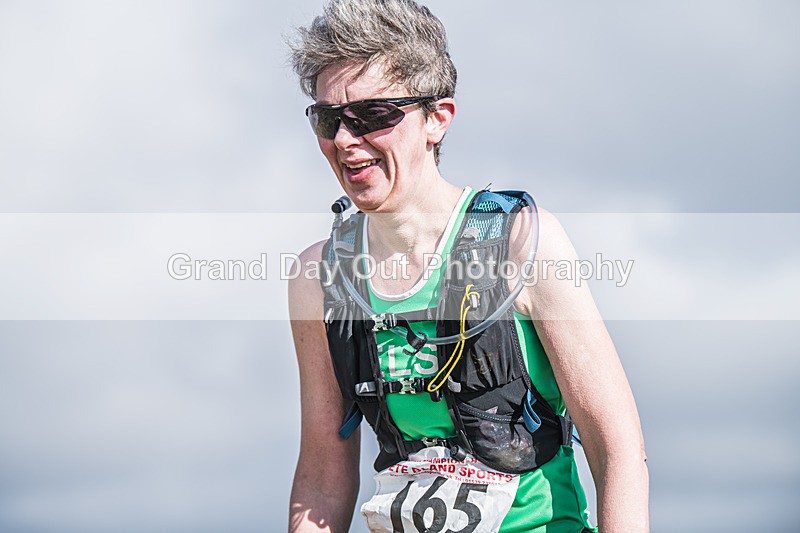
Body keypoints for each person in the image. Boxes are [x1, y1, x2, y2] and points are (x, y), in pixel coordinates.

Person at [286, 1, 649, 531]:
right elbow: (322, 473)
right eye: (328, 119)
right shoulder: (317, 278)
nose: (344, 139)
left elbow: (617, 448)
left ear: (437, 119)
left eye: (373, 115)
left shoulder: (523, 241)